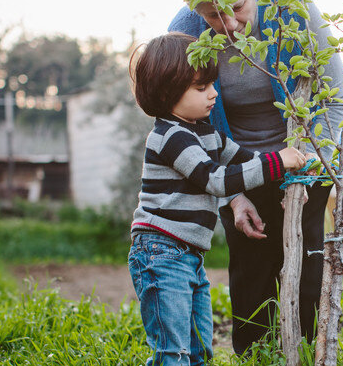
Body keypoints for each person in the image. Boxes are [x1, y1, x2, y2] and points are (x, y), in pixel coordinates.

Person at [168, 0, 343, 354]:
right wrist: (233, 195)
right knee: (250, 265)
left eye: (236, 7)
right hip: (237, 165)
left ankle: (305, 352)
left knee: (305, 258)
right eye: (213, 16)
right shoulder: (184, 35)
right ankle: (254, 356)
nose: (228, 25)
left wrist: (307, 170)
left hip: (305, 155)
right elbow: (188, 123)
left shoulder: (293, 10)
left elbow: (334, 95)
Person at [127, 32, 307, 366]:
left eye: (212, 84)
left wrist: (289, 176)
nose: (213, 94)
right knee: (173, 348)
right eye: (201, 88)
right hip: (160, 253)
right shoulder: (169, 137)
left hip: (188, 256)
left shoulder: (206, 132)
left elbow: (244, 158)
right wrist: (277, 161)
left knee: (199, 350)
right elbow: (216, 180)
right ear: (168, 91)